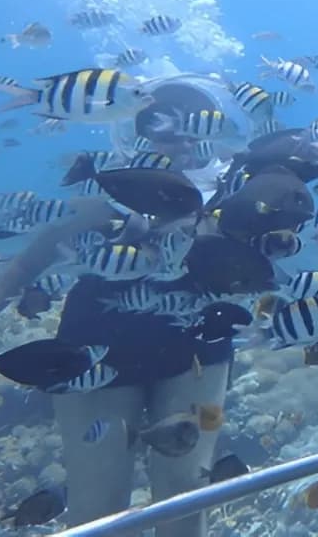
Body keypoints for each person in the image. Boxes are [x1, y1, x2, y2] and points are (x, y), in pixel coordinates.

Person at [49, 73, 258, 537]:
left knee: (189, 497)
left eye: (194, 128)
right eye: (162, 127)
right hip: (91, 350)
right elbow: (24, 267)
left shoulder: (229, 201)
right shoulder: (101, 195)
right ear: (136, 129)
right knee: (96, 507)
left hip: (201, 356)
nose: (181, 139)